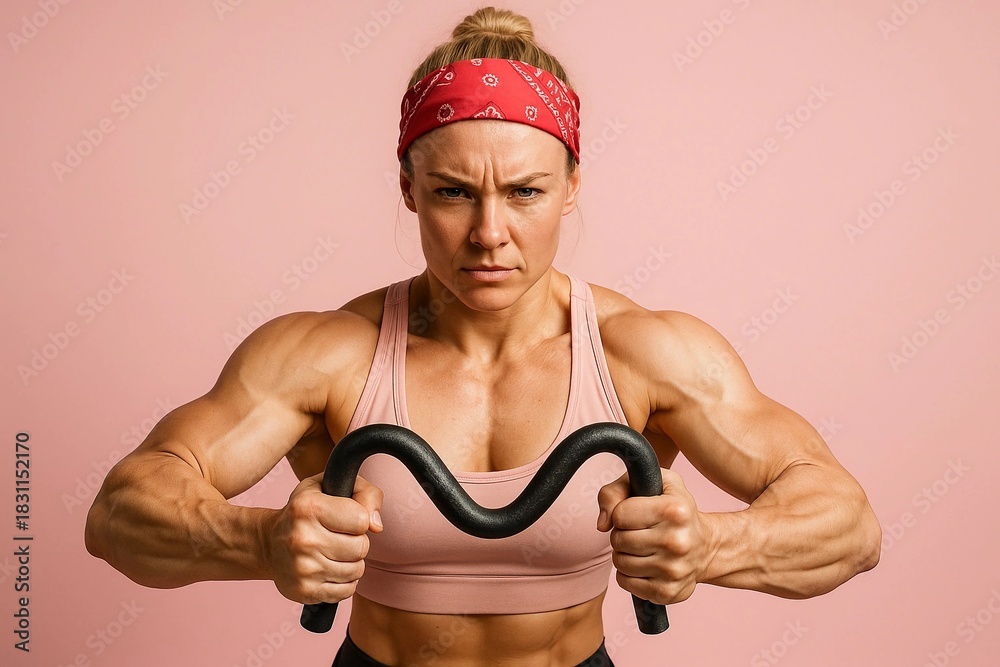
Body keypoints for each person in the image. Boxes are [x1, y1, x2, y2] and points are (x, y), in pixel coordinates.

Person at [85, 6, 881, 667]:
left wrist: (712, 545)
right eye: (453, 192)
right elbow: (118, 513)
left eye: (526, 191)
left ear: (573, 186)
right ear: (409, 189)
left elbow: (850, 524)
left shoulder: (645, 352)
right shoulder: (328, 353)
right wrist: (257, 540)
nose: (489, 233)